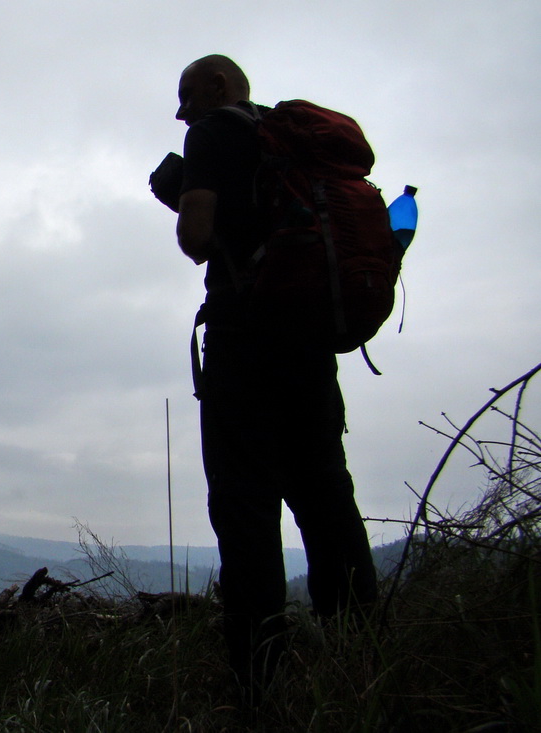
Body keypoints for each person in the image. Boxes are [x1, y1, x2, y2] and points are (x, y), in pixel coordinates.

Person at [169, 55, 378, 697]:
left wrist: (180, 195)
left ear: (220, 86)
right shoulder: (288, 143)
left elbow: (197, 238)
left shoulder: (213, 133)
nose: (182, 111)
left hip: (246, 337)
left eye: (188, 95)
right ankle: (362, 658)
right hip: (309, 340)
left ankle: (260, 681)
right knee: (325, 495)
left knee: (244, 506)